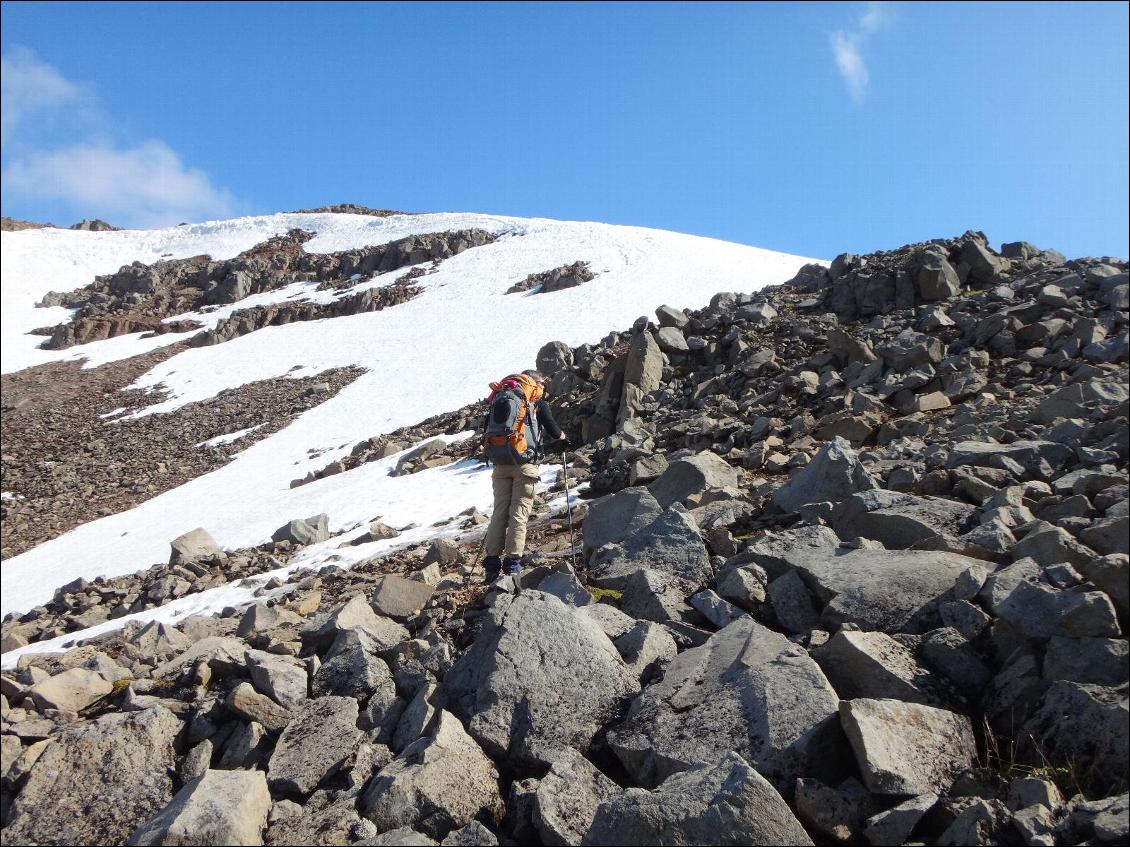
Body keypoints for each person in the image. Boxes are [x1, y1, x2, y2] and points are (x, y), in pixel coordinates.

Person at [480, 369, 568, 582]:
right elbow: (556, 432)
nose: (543, 387)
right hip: (525, 465)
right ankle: (512, 564)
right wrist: (564, 439)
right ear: (535, 383)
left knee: (499, 512)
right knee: (518, 514)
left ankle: (491, 565)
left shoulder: (501, 398)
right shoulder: (535, 403)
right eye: (542, 383)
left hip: (500, 464)